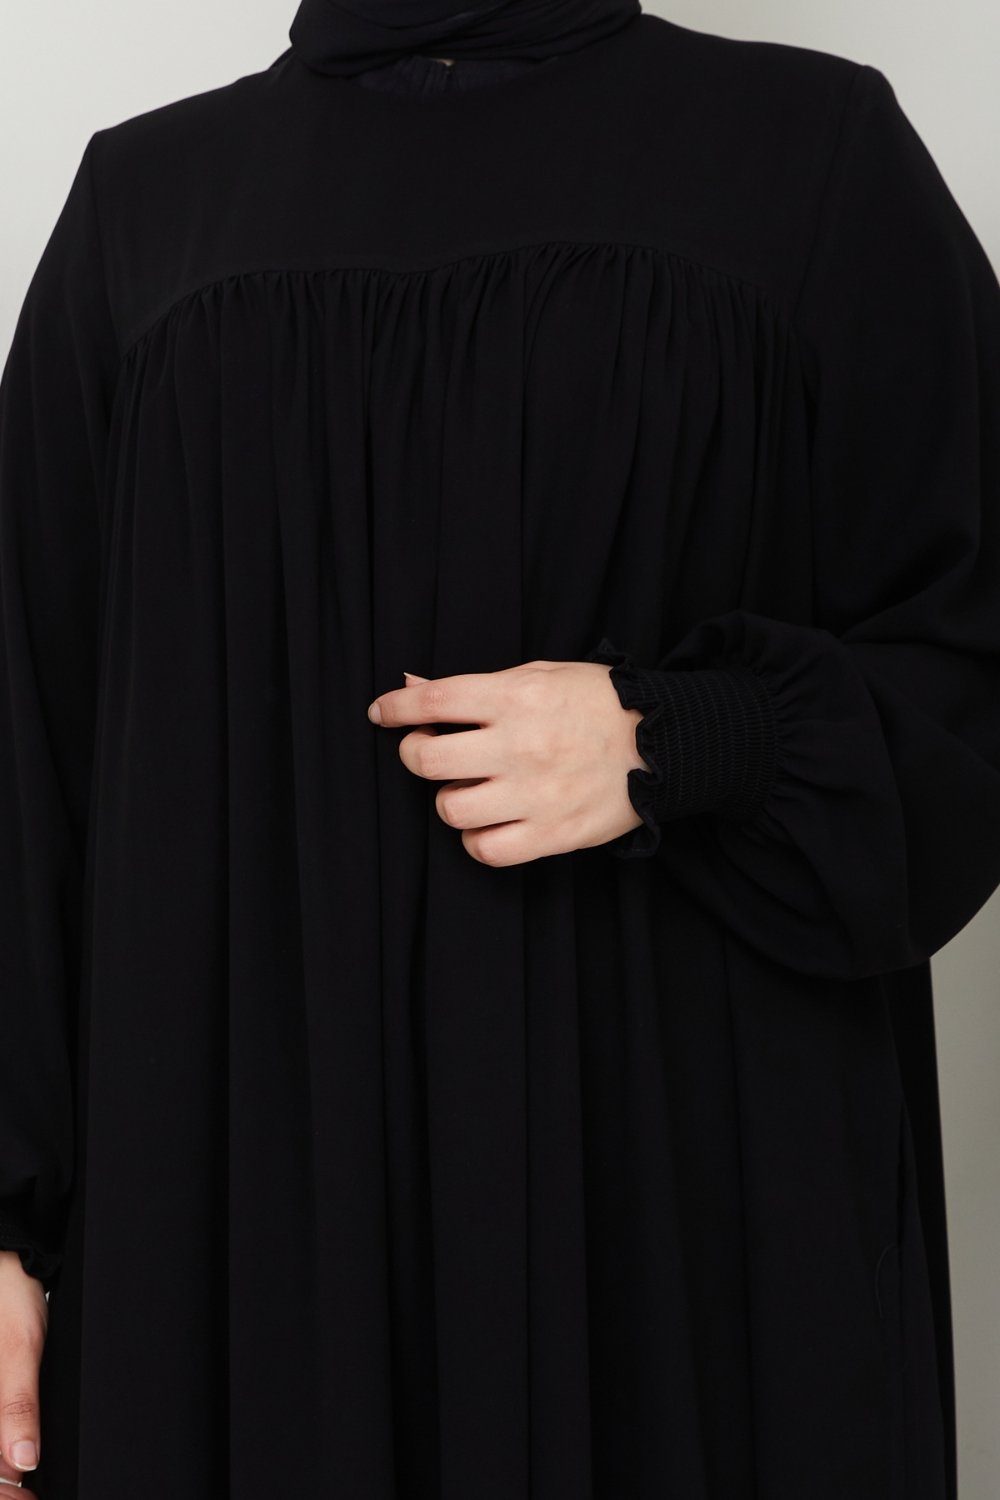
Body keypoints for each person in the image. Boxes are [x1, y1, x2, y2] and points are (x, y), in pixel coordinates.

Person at [1, 0, 999, 1494]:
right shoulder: (144, 208)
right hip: (244, 1236)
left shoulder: (814, 157)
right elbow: (28, 751)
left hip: (683, 1221)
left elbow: (969, 654)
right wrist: (5, 1228)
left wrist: (683, 734)